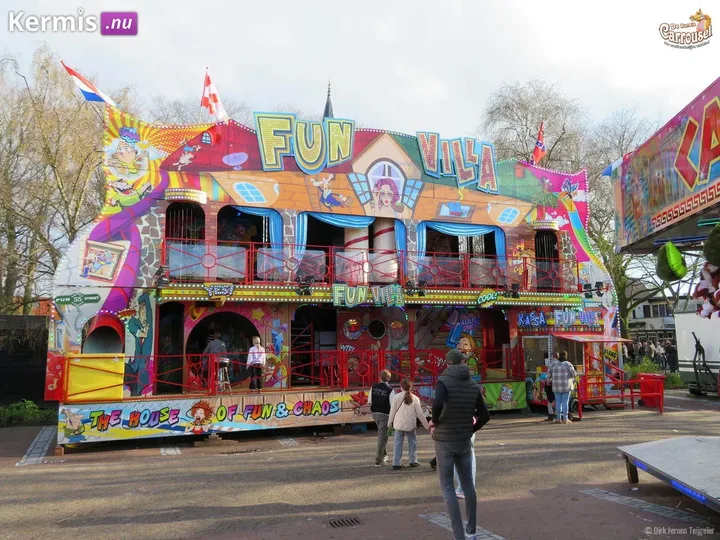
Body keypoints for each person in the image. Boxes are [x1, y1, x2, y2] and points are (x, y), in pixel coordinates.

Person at [429, 349, 490, 540]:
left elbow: (437, 404)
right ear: (463, 362)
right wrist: (471, 430)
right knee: (468, 484)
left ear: (448, 363)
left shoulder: (443, 381)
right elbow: (485, 415)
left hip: (445, 440)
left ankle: (459, 535)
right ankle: (471, 531)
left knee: (447, 486)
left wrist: (434, 421)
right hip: (464, 440)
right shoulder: (473, 384)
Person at [388, 378, 429, 470]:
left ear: (401, 387)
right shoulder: (415, 398)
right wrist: (426, 425)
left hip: (399, 424)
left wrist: (389, 422)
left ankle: (396, 463)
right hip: (410, 424)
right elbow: (420, 414)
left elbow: (392, 412)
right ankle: (413, 461)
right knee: (412, 442)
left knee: (398, 443)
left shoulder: (396, 397)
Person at [368, 370, 393, 467]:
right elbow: (393, 405)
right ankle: (378, 460)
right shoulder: (390, 390)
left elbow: (370, 401)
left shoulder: (373, 387)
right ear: (389, 378)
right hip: (385, 414)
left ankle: (384, 455)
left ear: (379, 377)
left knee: (382, 434)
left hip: (375, 413)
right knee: (382, 437)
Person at [548, 351, 577, 424]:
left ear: (559, 356)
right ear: (566, 356)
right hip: (566, 386)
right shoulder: (568, 364)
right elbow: (574, 374)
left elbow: (548, 374)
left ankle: (558, 419)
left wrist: (549, 381)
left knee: (558, 402)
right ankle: (565, 419)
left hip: (556, 386)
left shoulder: (553, 364)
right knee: (565, 402)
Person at [543, 352, 559, 421]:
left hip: (552, 384)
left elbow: (549, 374)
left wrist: (547, 381)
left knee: (550, 400)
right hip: (560, 384)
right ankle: (561, 415)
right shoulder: (563, 363)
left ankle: (551, 415)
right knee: (560, 400)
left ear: (553, 356)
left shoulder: (552, 364)